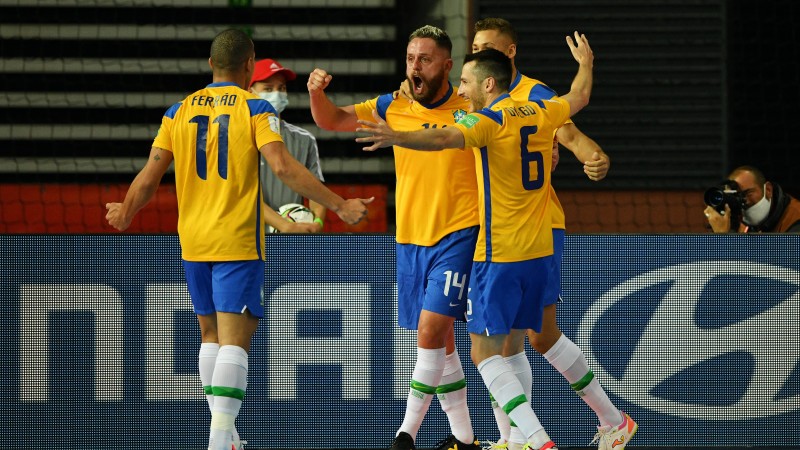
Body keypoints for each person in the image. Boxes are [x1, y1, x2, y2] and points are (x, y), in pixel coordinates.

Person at [104, 29, 371, 450]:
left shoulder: (178, 111)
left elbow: (150, 174)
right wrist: (339, 205)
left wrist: (125, 209)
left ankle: (227, 437)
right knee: (234, 341)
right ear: (250, 67)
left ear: (211, 65)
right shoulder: (256, 107)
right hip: (237, 237)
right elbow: (282, 167)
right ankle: (218, 439)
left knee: (209, 336)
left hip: (192, 238)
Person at [355, 34, 593, 450]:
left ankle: (534, 441)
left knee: (488, 353)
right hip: (538, 245)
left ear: (487, 84)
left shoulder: (487, 121)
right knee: (515, 344)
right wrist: (587, 63)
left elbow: (443, 138)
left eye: (466, 81)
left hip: (495, 248)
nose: (461, 90)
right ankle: (517, 439)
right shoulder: (540, 109)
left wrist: (398, 137)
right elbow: (580, 95)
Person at [308, 25, 480, 450]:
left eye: (424, 59)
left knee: (428, 332)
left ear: (446, 64)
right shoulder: (392, 105)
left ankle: (406, 433)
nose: (415, 66)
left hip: (460, 232)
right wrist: (316, 92)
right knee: (442, 340)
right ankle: (464, 438)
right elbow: (330, 120)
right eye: (410, 58)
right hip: (410, 239)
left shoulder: (471, 106)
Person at [468, 18, 636, 450]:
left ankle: (543, 434)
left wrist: (592, 156)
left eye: (485, 48)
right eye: (474, 46)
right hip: (494, 228)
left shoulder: (534, 95)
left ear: (507, 56)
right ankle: (520, 437)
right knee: (518, 337)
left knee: (525, 336)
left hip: (534, 227)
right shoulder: (473, 93)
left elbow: (574, 133)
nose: (476, 54)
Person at [249, 58, 327, 233]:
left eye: (281, 88)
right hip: (248, 238)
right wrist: (284, 225)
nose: (276, 94)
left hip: (291, 237)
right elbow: (242, 196)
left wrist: (317, 223)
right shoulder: (239, 136)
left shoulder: (304, 139)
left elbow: (317, 191)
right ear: (250, 92)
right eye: (268, 89)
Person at [704, 165, 800, 233]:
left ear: (768, 190)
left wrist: (722, 237)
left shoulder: (795, 218)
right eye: (737, 196)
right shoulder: (741, 222)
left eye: (748, 193)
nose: (745, 201)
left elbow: (782, 259)